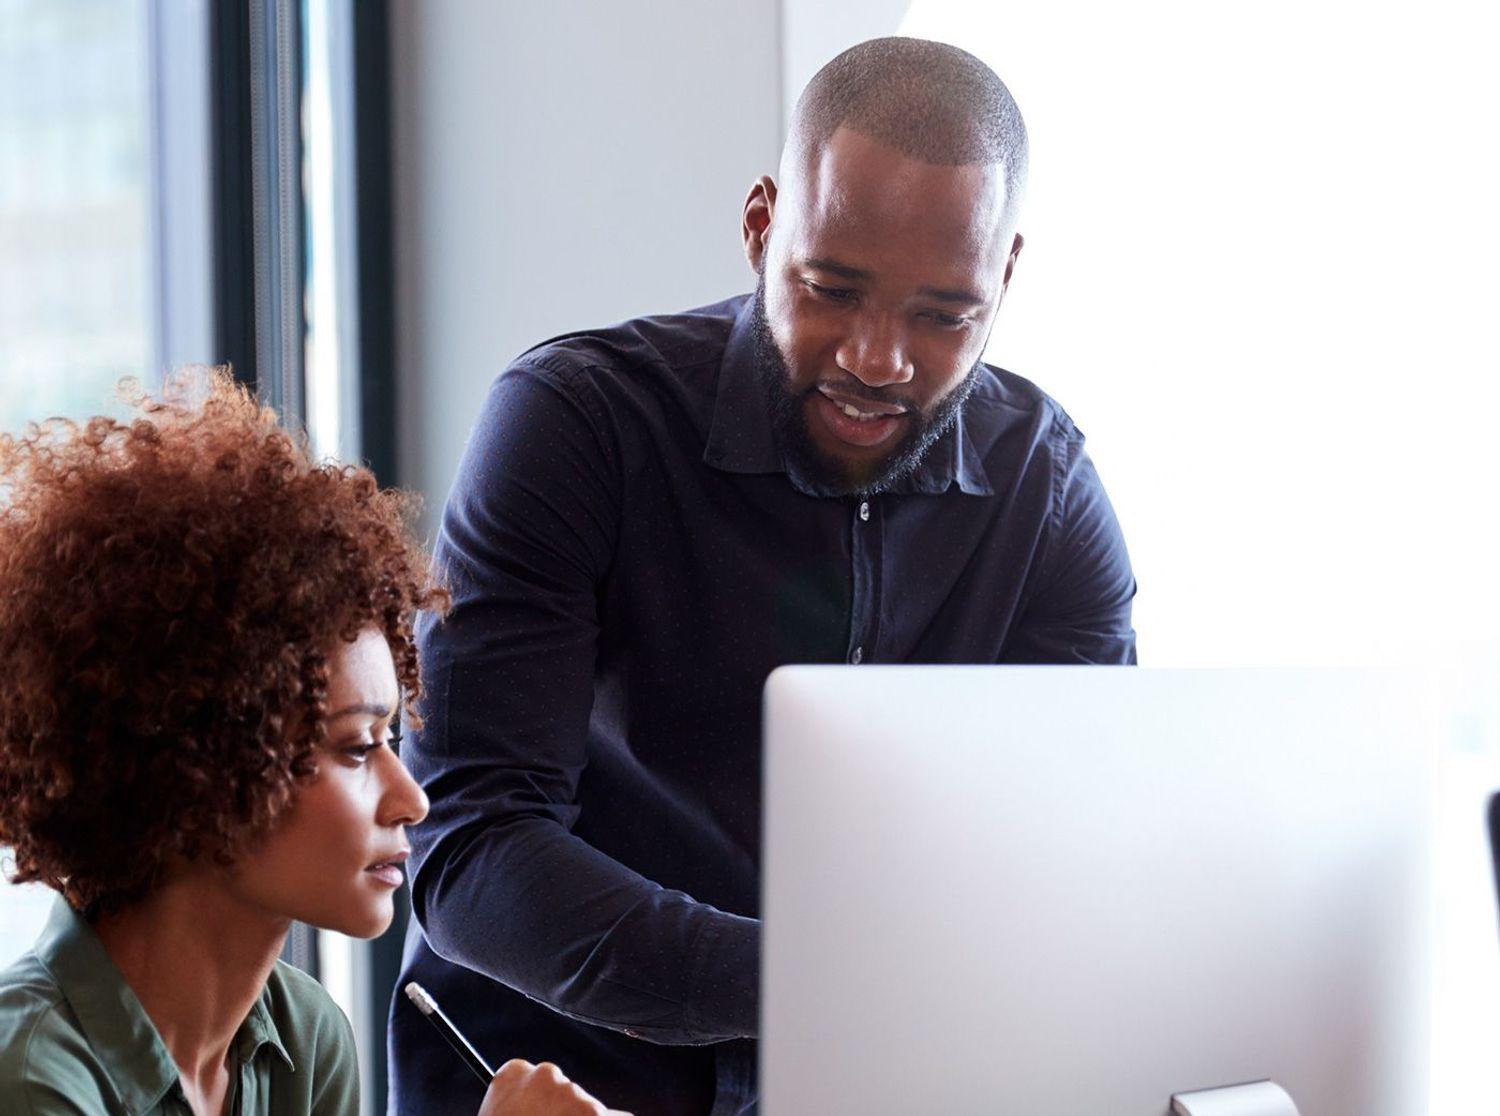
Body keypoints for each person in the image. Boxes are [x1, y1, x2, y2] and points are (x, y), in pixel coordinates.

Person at [391, 35, 1137, 1116]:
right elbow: (470, 847)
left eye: (944, 316)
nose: (879, 359)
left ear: (1005, 276)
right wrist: (825, 990)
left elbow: (1073, 852)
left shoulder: (1048, 490)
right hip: (552, 1080)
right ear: (759, 227)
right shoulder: (577, 424)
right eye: (833, 290)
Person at [0, 373, 621, 1115]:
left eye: (391, 738)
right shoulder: (29, 1077)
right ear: (199, 765)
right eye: (358, 748)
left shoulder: (304, 1041)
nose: (413, 798)